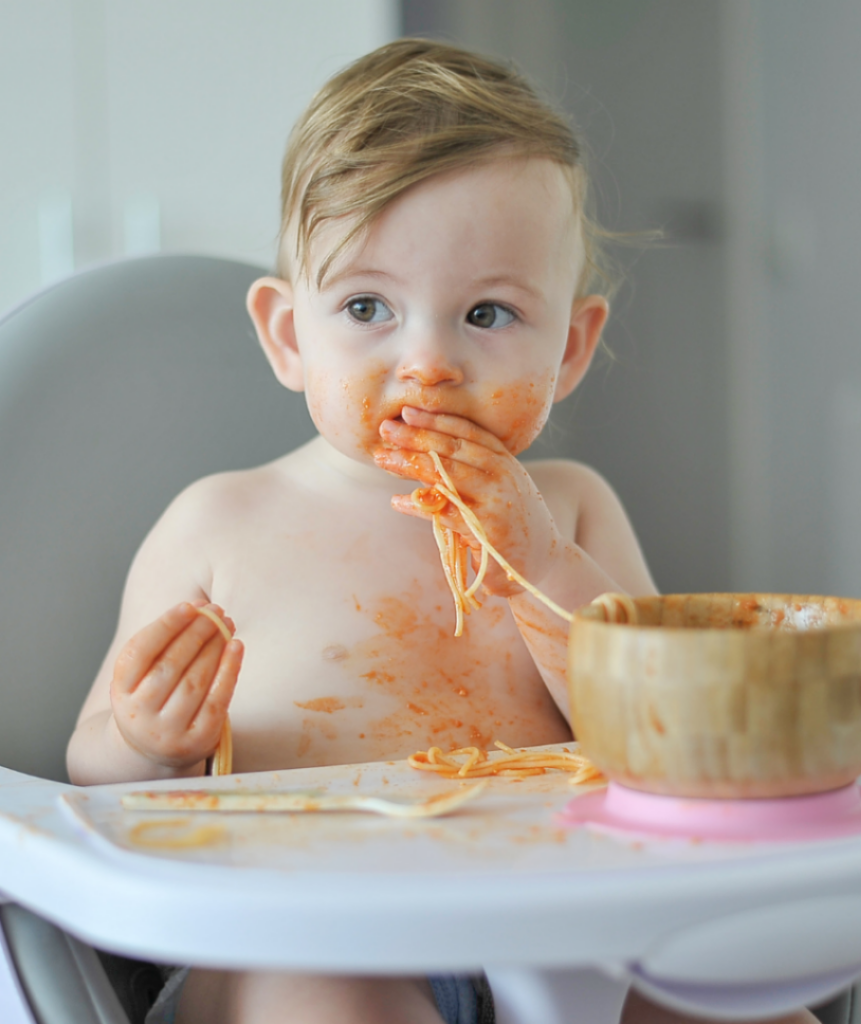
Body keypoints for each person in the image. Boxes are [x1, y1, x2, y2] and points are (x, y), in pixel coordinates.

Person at [66, 38, 816, 1024]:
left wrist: (539, 559)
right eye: (367, 306)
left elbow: (663, 741)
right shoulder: (221, 522)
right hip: (294, 940)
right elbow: (85, 768)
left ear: (571, 345)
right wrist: (145, 739)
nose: (428, 361)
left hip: (581, 938)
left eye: (488, 313)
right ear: (290, 334)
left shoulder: (574, 511)